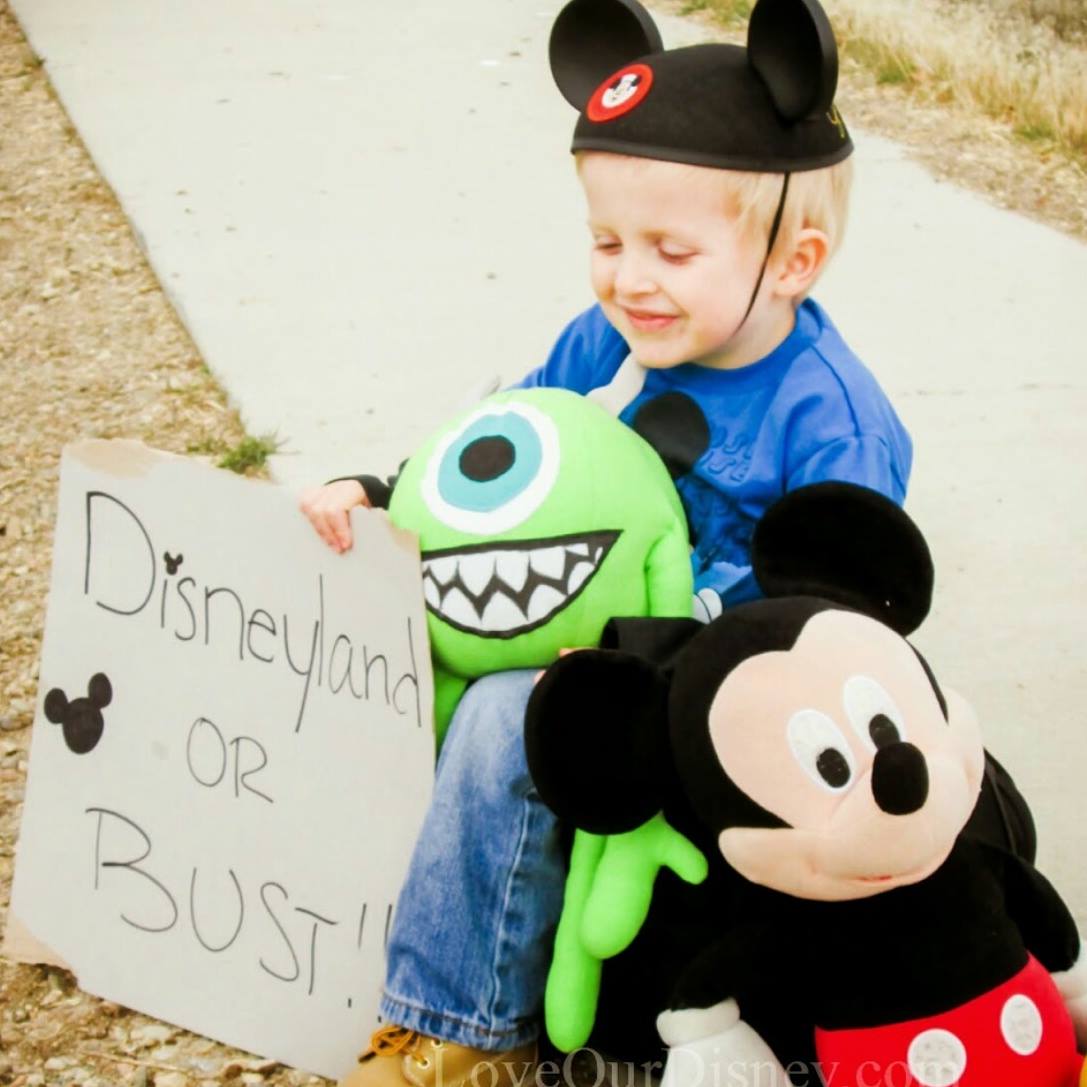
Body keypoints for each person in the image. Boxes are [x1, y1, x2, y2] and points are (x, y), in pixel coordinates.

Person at [299, 0, 912, 1084]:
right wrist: (388, 493)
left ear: (791, 260)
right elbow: (506, 463)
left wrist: (647, 651)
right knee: (425, 668)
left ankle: (458, 1025)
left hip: (734, 697)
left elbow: (830, 628)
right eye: (606, 241)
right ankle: (353, 922)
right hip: (590, 655)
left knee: (501, 713)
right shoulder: (605, 342)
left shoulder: (829, 420)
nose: (629, 278)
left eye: (671, 250)